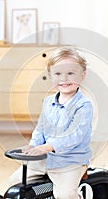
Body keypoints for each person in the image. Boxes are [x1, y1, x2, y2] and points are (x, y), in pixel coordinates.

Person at [9, 46, 93, 199]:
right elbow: (41, 128)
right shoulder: (48, 102)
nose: (64, 79)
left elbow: (75, 136)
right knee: (15, 182)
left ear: (82, 76)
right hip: (45, 159)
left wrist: (48, 146)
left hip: (70, 162)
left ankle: (78, 196)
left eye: (70, 73)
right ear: (51, 76)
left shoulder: (83, 106)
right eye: (58, 74)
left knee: (65, 194)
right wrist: (34, 145)